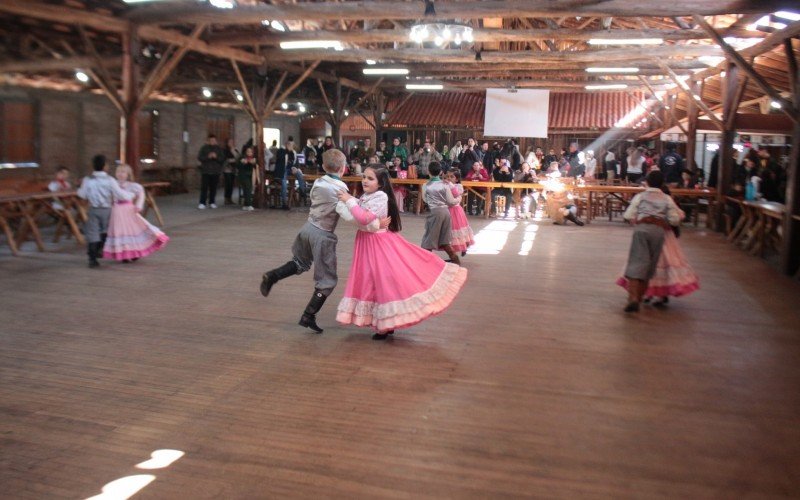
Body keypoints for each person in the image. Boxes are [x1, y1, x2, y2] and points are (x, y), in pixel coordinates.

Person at [259, 149, 387, 334]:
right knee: (327, 280)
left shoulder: (319, 181)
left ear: (323, 166)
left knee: (300, 262)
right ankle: (308, 315)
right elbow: (350, 216)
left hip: (308, 229)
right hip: (322, 235)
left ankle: (272, 276)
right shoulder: (339, 189)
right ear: (343, 169)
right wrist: (375, 223)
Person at [335, 165, 468, 339]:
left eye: (370, 178)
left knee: (383, 280)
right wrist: (365, 217)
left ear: (381, 183)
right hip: (366, 242)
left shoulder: (380, 196)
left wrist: (350, 201)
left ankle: (386, 324)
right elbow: (359, 218)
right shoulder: (366, 196)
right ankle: (382, 322)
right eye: (364, 177)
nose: (365, 181)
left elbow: (362, 217)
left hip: (379, 244)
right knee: (369, 280)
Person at [620, 170, 682, 313]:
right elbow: (675, 219)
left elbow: (628, 214)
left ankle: (633, 298)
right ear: (662, 184)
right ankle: (640, 298)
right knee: (650, 266)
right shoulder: (667, 198)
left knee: (636, 262)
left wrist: (638, 219)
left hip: (641, 230)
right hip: (658, 232)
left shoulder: (641, 196)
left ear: (646, 182)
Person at [103, 164, 169, 262]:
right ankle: (123, 253)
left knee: (132, 231)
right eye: (118, 172)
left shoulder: (133, 185)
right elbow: (108, 195)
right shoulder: (113, 184)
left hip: (129, 210)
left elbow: (141, 193)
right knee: (120, 231)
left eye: (123, 172)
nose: (120, 174)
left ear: (128, 174)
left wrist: (139, 205)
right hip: (117, 211)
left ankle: (135, 251)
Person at [77, 155, 134, 268]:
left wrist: (79, 189)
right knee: (106, 231)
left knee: (93, 234)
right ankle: (100, 249)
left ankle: (92, 260)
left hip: (93, 209)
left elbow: (82, 194)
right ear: (105, 166)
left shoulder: (87, 180)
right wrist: (131, 195)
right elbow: (120, 194)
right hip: (107, 210)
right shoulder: (110, 180)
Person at [421, 162, 462, 265]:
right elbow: (451, 201)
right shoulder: (445, 184)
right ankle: (455, 259)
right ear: (440, 172)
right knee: (444, 239)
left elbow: (425, 200)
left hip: (435, 212)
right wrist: (459, 198)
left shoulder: (425, 185)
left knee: (429, 239)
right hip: (446, 213)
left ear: (428, 172)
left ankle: (424, 262)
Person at [445, 169, 474, 256]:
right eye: (448, 176)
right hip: (447, 210)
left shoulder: (458, 186)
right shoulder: (445, 185)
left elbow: (456, 194)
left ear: (456, 179)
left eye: (452, 177)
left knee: (458, 229)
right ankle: (451, 249)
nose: (449, 178)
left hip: (456, 211)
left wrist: (449, 185)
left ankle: (463, 246)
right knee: (449, 230)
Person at [197, 135, 225, 209]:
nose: (212, 142)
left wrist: (216, 157)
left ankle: (212, 202)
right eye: (211, 140)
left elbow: (222, 159)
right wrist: (207, 157)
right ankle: (202, 203)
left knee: (214, 188)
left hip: (215, 171)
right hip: (206, 171)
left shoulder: (219, 149)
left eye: (214, 140)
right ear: (208, 141)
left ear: (216, 141)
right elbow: (199, 157)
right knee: (204, 188)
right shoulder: (204, 148)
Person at [238, 146, 257, 211]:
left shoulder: (253, 158)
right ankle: (249, 204)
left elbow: (256, 166)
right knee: (248, 188)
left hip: (251, 176)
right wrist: (243, 163)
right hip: (243, 175)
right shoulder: (242, 158)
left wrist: (254, 163)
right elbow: (238, 165)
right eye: (248, 151)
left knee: (247, 189)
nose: (249, 153)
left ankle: (246, 204)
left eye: (250, 152)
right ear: (245, 152)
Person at [223, 138, 239, 205]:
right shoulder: (225, 150)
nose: (231, 143)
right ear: (227, 143)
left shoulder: (235, 149)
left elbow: (239, 158)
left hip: (233, 170)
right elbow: (225, 159)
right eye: (230, 142)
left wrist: (233, 152)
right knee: (228, 184)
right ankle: (226, 199)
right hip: (227, 169)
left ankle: (230, 199)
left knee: (232, 184)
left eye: (232, 142)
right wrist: (233, 160)